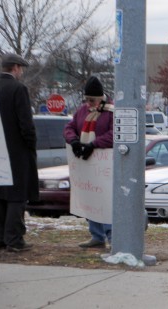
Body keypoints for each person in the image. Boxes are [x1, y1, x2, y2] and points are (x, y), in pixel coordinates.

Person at [64, 76, 114, 248]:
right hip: (87, 163)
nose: (88, 103)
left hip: (105, 165)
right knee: (91, 198)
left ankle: (112, 236)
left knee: (106, 200)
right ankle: (96, 235)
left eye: (92, 100)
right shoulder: (82, 111)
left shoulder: (111, 112)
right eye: (86, 99)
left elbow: (115, 134)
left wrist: (94, 144)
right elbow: (69, 127)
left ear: (101, 97)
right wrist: (74, 142)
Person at [0, 53, 38, 252]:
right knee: (17, 196)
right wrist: (30, 145)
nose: (21, 72)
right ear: (15, 68)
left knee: (0, 194)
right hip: (16, 150)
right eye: (20, 68)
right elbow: (26, 125)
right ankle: (14, 239)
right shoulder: (18, 88)